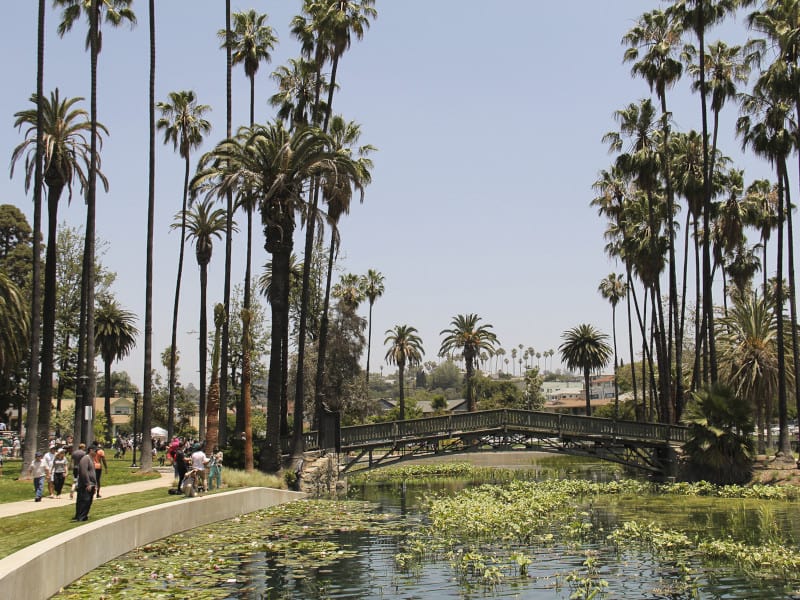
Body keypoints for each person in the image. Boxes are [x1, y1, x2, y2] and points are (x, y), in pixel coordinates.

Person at [73, 445, 97, 522]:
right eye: (95, 450)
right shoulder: (85, 459)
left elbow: (92, 473)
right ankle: (80, 517)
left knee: (88, 501)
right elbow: (83, 472)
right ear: (90, 450)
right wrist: (87, 483)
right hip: (85, 485)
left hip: (92, 484)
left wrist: (95, 485)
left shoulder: (91, 459)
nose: (96, 452)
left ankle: (84, 516)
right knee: (84, 501)